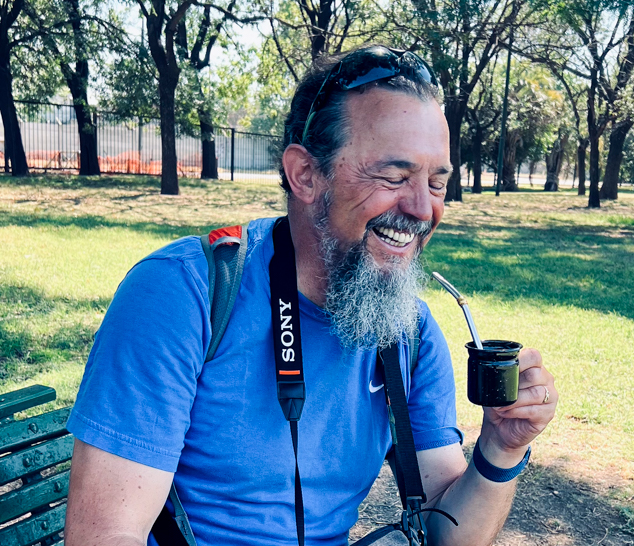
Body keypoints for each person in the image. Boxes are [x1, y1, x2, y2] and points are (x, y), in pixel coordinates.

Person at [64, 44, 558, 546]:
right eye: (393, 176)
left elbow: (445, 533)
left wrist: (500, 449)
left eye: (436, 182)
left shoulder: (407, 329)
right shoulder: (183, 294)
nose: (421, 208)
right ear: (305, 174)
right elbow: (103, 537)